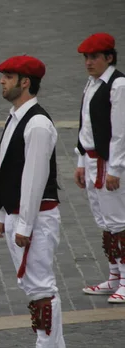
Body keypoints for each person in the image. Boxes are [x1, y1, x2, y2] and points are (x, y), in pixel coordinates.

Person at [0, 56, 65, 348]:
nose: (1, 81)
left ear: (25, 82)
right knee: (32, 286)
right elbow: (8, 171)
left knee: (41, 287)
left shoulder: (37, 124)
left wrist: (23, 225)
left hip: (34, 219)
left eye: (8, 76)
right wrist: (1, 211)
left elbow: (34, 179)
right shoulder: (16, 117)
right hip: (18, 215)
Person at [75, 33, 125, 303]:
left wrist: (116, 169)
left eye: (94, 57)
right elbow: (86, 126)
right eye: (86, 57)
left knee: (119, 222)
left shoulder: (118, 85)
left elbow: (120, 132)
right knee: (105, 222)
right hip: (93, 160)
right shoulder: (92, 84)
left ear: (109, 57)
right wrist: (81, 161)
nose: (88, 62)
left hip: (110, 162)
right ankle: (115, 275)